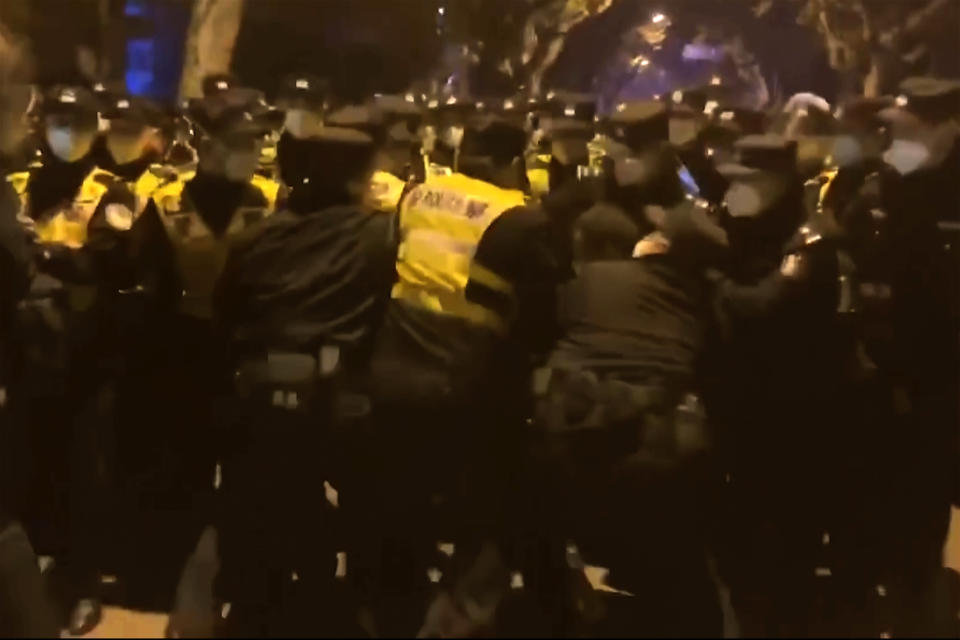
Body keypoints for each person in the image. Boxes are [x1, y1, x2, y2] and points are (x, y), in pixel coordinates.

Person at [185, 105, 397, 637]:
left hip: (260, 392)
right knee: (364, 498)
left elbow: (225, 313)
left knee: (259, 503)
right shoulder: (381, 236)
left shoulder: (259, 237)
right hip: (338, 400)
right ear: (359, 176)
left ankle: (257, 600)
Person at [366, 109, 561, 636]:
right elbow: (544, 316)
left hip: (392, 366)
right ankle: (460, 616)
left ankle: (390, 610)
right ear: (515, 161)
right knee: (496, 502)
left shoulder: (417, 196)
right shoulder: (521, 219)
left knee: (398, 498)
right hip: (468, 383)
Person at [125, 86, 283, 601]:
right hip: (181, 357)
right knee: (177, 474)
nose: (252, 151)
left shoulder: (272, 202)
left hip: (247, 358)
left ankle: (235, 579)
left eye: (257, 140)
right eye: (240, 140)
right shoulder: (166, 203)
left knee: (245, 479)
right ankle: (165, 573)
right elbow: (145, 288)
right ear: (208, 143)